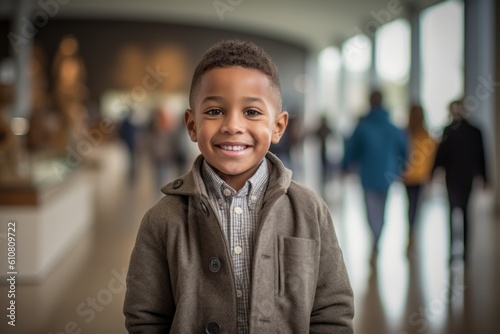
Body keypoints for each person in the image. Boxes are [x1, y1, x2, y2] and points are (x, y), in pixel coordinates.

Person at [123, 40, 354, 333]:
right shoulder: (162, 220)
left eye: (252, 112)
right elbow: (145, 318)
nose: (233, 125)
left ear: (278, 127)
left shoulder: (310, 211)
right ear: (192, 125)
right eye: (215, 111)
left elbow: (331, 311)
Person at [342, 91, 408, 262]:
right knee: (382, 211)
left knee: (371, 212)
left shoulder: (363, 126)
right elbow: (403, 148)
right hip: (388, 175)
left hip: (368, 175)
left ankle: (375, 240)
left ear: (370, 103)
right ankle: (377, 240)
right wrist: (403, 166)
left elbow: (351, 149)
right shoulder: (392, 127)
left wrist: (345, 165)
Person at [432, 100, 488, 264]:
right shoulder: (459, 131)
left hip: (460, 177)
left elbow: (481, 155)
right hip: (459, 178)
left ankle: (459, 252)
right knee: (459, 212)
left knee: (458, 212)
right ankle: (459, 252)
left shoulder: (466, 131)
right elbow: (441, 156)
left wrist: (484, 177)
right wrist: (484, 177)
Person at [402, 104, 437, 254]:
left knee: (410, 204)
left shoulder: (405, 133)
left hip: (408, 176)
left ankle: (411, 231)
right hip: (420, 177)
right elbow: (431, 156)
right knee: (416, 205)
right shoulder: (426, 135)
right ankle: (413, 231)